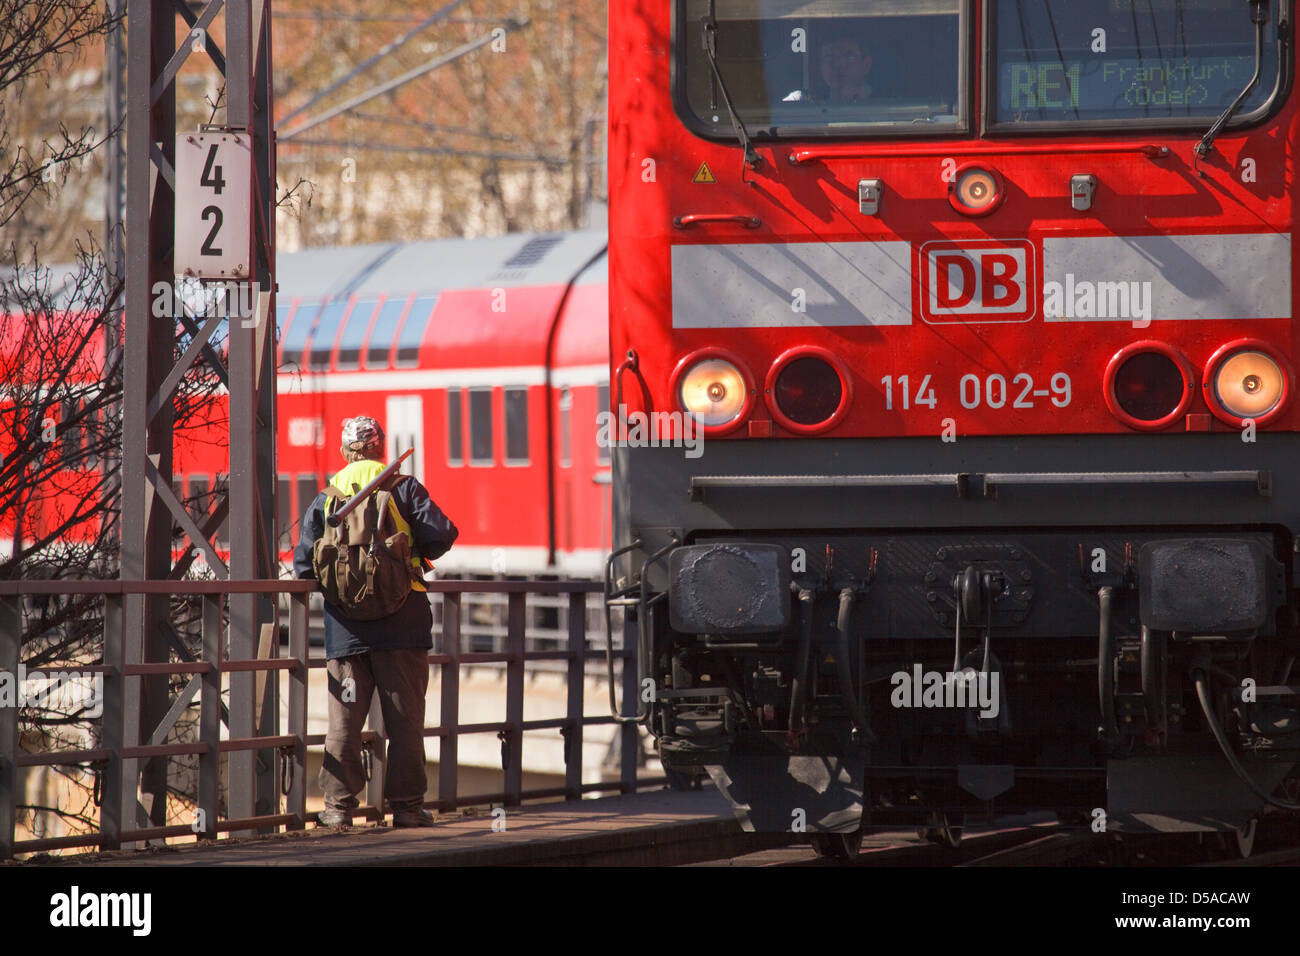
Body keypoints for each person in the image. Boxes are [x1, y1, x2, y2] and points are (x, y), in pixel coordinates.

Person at [294, 416, 458, 828]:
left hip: (346, 632)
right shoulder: (402, 487)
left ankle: (337, 810)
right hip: (403, 627)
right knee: (404, 724)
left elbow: (302, 565)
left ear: (345, 451)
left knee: (344, 723)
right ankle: (405, 809)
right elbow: (443, 533)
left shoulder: (328, 497)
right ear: (379, 448)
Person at [784, 36, 874, 104]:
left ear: (866, 64)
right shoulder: (802, 100)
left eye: (849, 57)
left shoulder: (884, 100)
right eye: (830, 57)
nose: (838, 64)